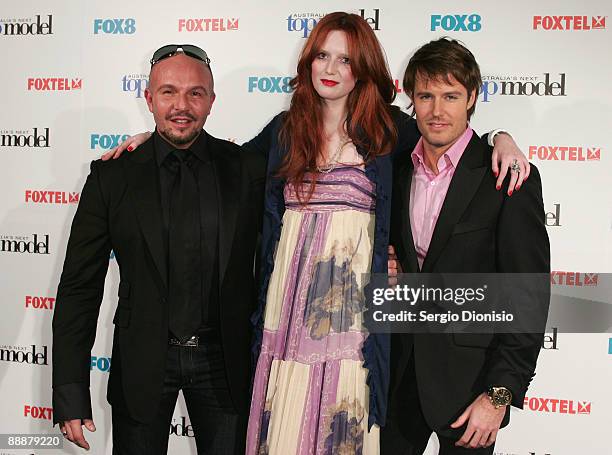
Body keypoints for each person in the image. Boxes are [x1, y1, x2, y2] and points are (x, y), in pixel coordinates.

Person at [105, 14, 530, 454]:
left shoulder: (391, 132)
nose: (330, 69)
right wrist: (153, 137)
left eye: (344, 59)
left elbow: (449, 141)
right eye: (323, 56)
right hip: (284, 323)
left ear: (362, 67)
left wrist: (501, 136)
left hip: (353, 331)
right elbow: (219, 164)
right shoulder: (286, 131)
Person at [52, 44, 265, 454]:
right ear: (148, 98)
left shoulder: (248, 170)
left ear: (211, 101)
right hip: (143, 363)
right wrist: (70, 392)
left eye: (195, 93)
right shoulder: (112, 177)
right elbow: (79, 287)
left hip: (226, 365)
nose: (181, 105)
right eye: (168, 92)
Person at [382, 38, 550, 455]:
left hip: (471, 390)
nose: (437, 110)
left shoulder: (507, 177)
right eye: (426, 96)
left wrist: (499, 396)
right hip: (397, 383)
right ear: (412, 99)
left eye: (451, 96)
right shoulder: (396, 170)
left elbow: (527, 295)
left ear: (472, 97)